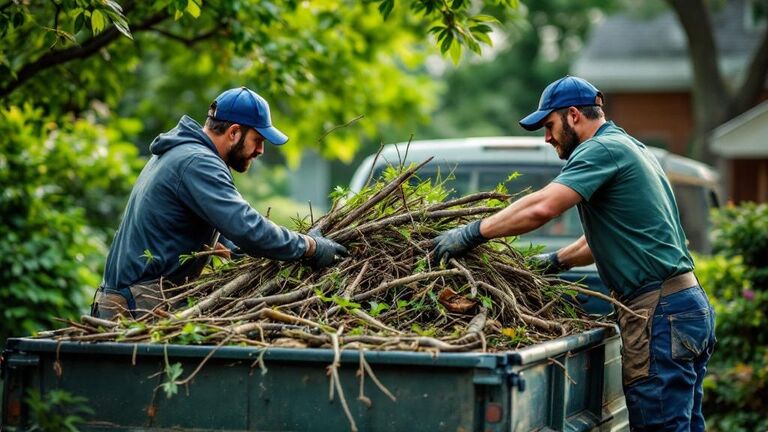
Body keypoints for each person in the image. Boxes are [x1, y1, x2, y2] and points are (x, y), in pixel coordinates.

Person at [432, 76, 716, 431]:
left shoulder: (600, 150)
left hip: (659, 312)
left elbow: (543, 207)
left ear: (573, 116)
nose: (547, 137)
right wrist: (553, 262)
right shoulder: (632, 148)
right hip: (685, 306)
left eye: (549, 126)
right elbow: (599, 241)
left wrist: (470, 233)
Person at [92, 87, 347, 320]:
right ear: (234, 132)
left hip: (130, 301)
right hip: (136, 308)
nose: (260, 151)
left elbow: (220, 234)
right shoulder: (198, 163)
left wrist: (244, 250)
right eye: (258, 140)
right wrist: (309, 246)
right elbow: (247, 227)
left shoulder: (181, 153)